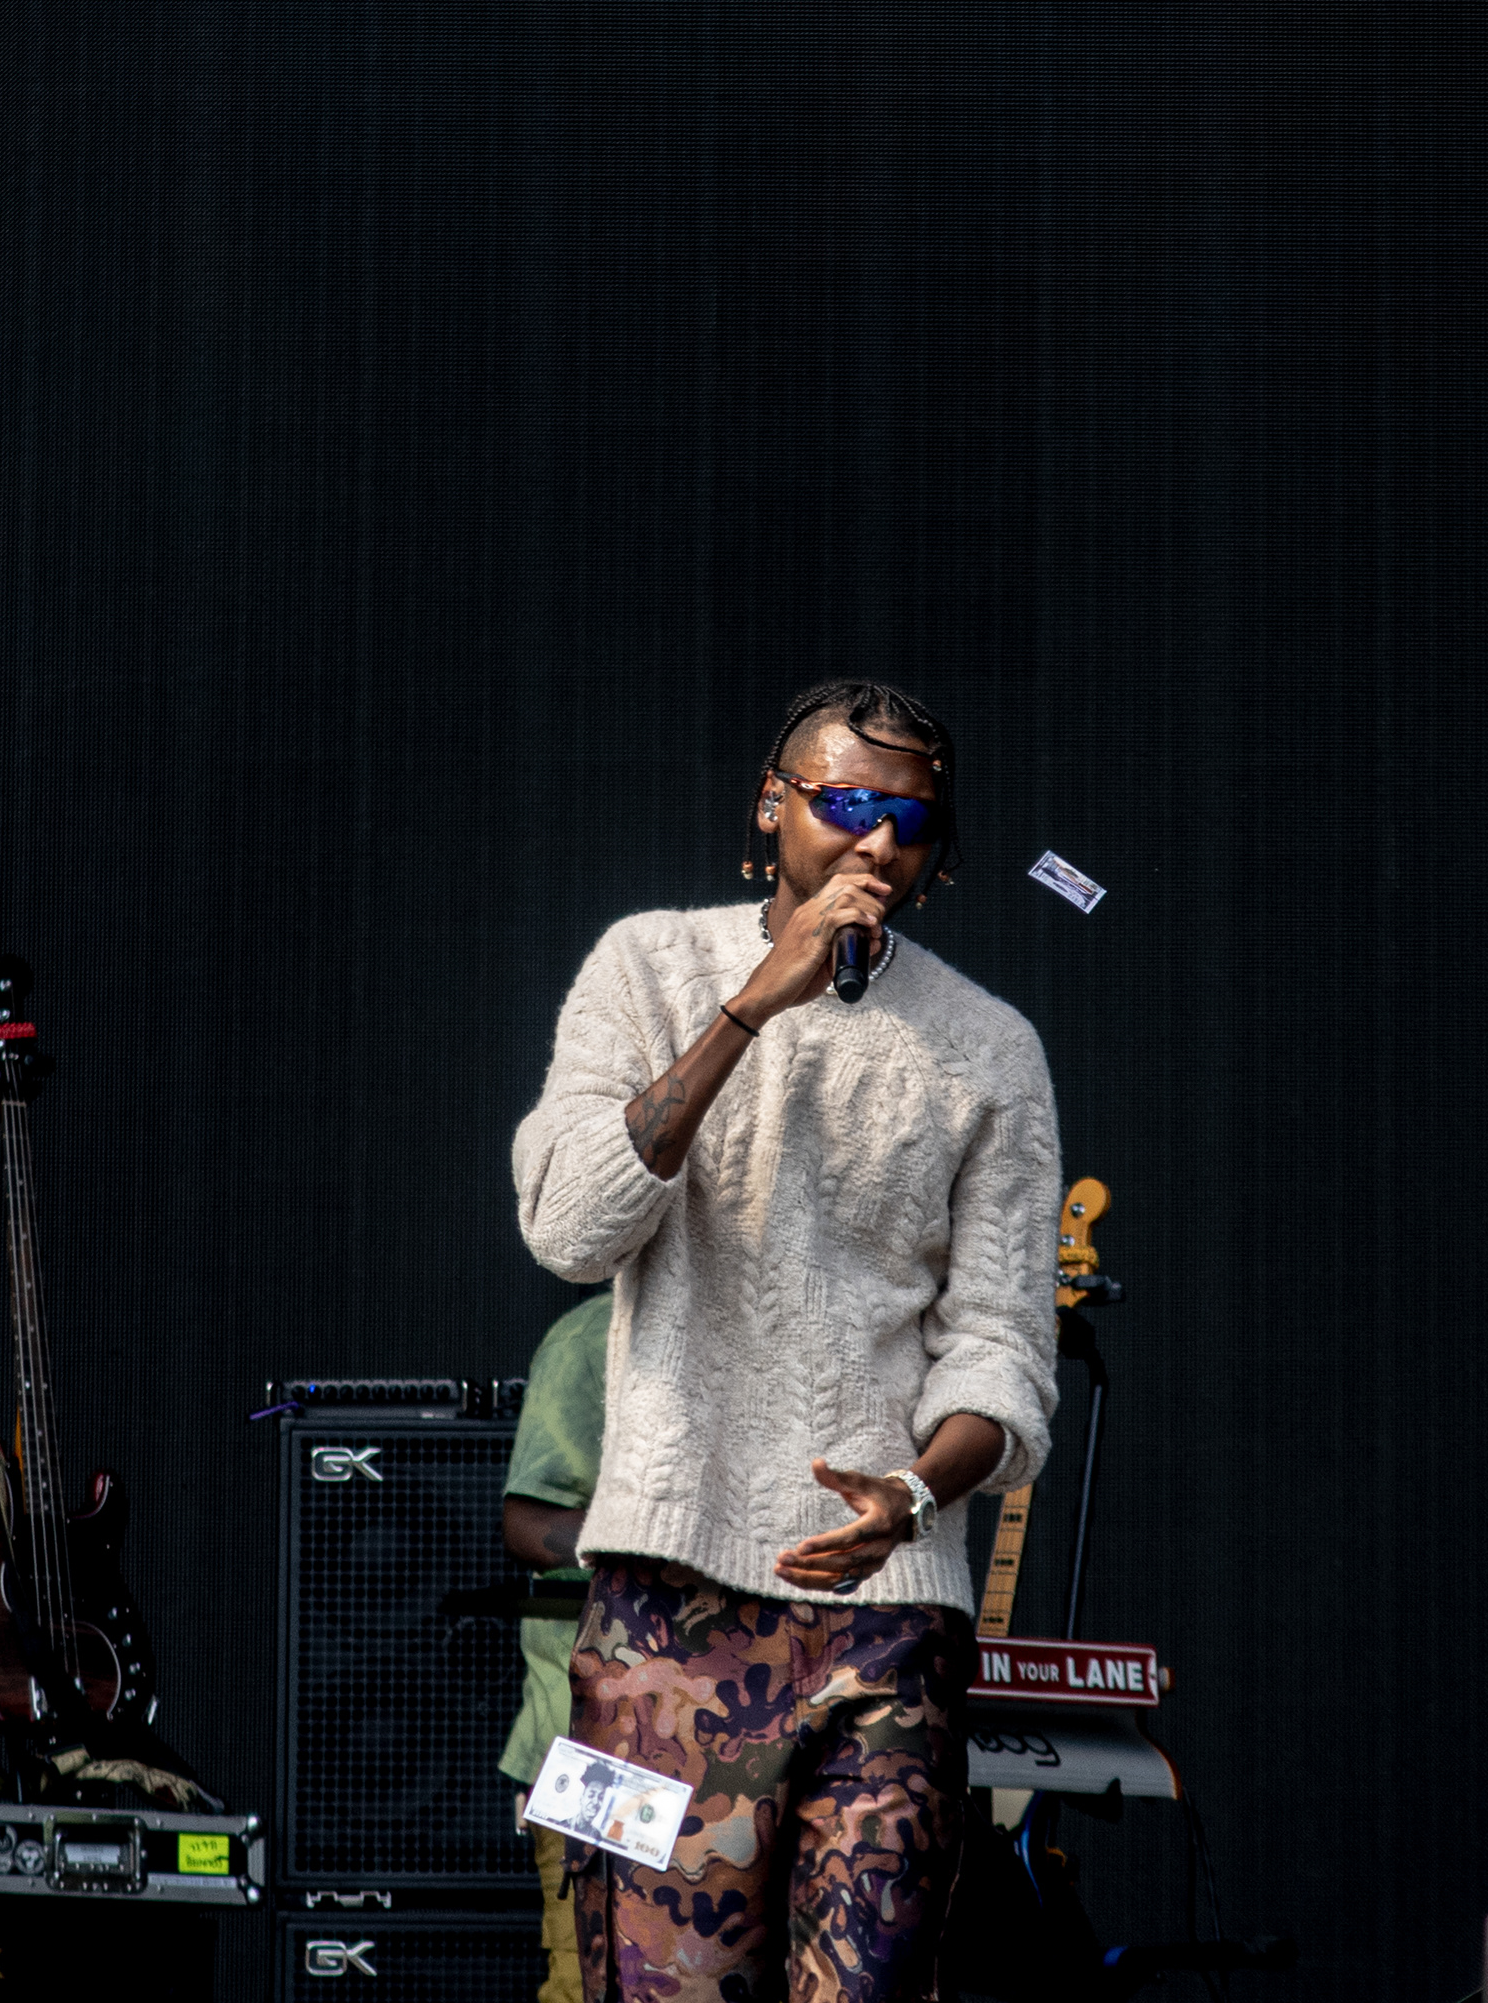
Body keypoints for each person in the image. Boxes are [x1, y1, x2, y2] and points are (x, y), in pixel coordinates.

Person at [512, 679, 1064, 2001]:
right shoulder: (644, 965)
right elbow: (569, 1225)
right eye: (847, 805)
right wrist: (753, 1006)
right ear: (774, 810)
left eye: (913, 821)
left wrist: (920, 1488)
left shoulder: (993, 1049)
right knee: (637, 1990)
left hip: (892, 1627)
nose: (878, 843)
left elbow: (1006, 1347)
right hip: (656, 1621)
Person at [499, 1289, 615, 2003]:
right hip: (586, 1747)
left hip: (730, 1746)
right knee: (587, 1983)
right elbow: (526, 1521)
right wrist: (653, 1545)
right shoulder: (590, 1339)